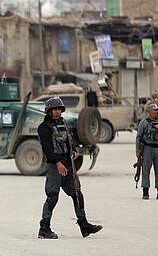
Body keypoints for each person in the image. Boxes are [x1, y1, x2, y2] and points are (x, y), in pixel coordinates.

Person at [36, 97, 102, 239]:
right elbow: (47, 148)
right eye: (54, 109)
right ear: (48, 111)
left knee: (77, 194)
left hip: (68, 165)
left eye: (59, 109)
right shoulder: (43, 127)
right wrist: (58, 162)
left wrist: (73, 150)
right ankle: (44, 228)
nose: (57, 112)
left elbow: (69, 141)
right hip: (54, 167)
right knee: (52, 196)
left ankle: (84, 226)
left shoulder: (63, 124)